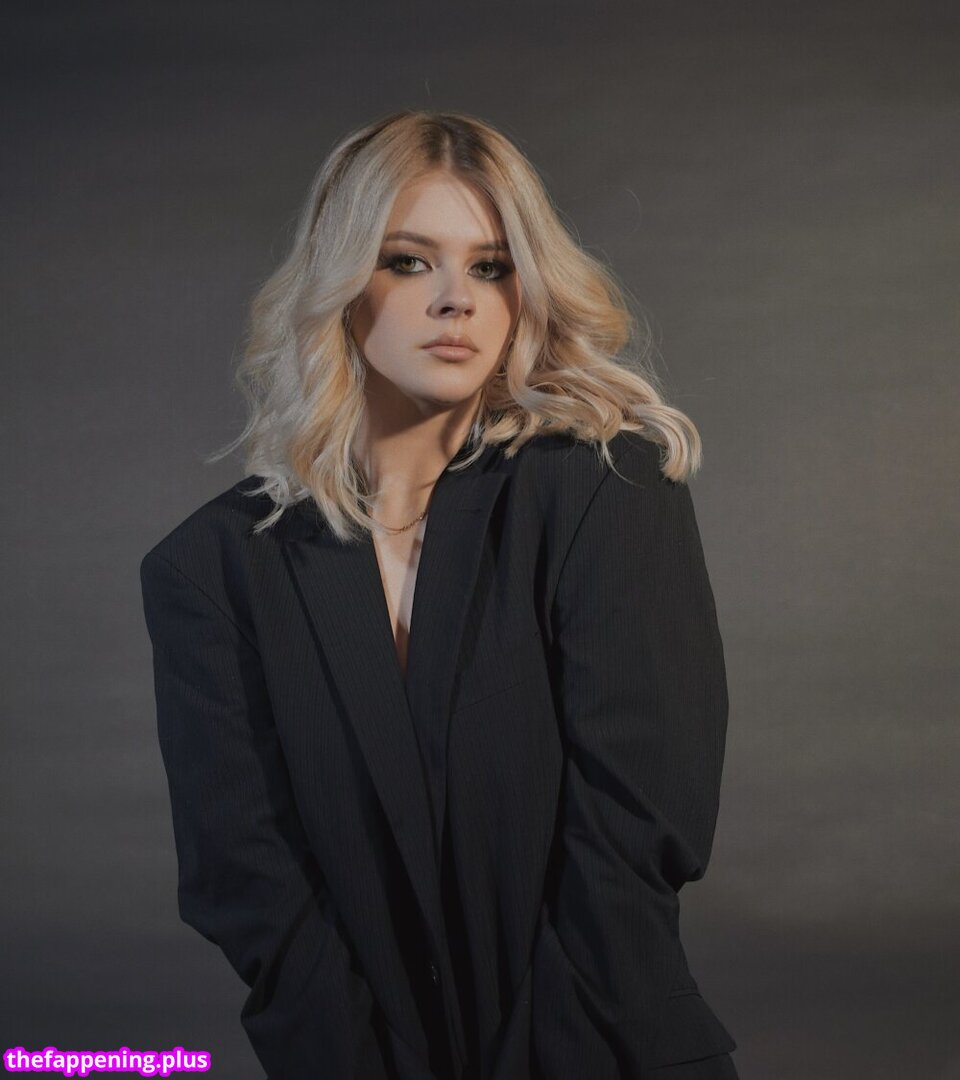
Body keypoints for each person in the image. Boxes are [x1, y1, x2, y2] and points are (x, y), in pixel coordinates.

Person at [140, 109, 739, 1080]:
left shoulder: (605, 490)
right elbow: (245, 882)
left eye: (492, 266)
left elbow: (636, 831)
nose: (456, 299)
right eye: (409, 261)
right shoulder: (212, 569)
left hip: (606, 1051)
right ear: (343, 283)